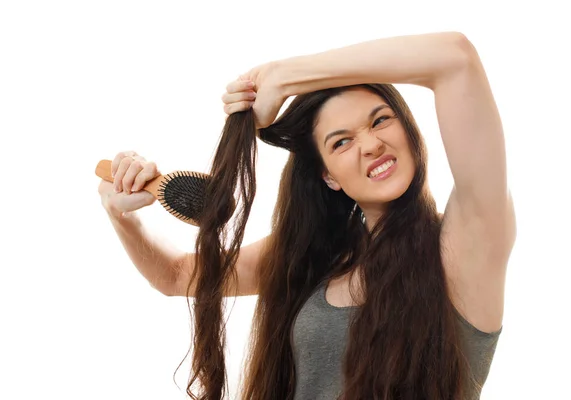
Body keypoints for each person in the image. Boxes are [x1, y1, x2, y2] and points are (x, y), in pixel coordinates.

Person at [98, 31, 516, 400]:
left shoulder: (466, 244)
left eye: (381, 120)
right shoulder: (320, 255)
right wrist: (121, 215)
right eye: (341, 142)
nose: (370, 145)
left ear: (407, 128)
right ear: (328, 177)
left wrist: (284, 75)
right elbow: (175, 276)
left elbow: (456, 58)